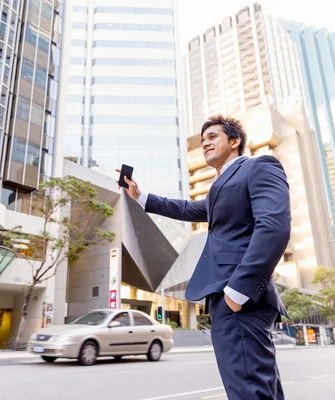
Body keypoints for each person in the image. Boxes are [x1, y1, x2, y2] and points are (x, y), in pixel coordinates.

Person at [119, 115, 290, 399]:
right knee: (260, 386)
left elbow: (274, 227)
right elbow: (186, 209)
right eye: (202, 140)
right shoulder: (217, 189)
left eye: (213, 137)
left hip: (239, 294)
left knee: (248, 388)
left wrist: (238, 291)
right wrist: (140, 196)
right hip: (228, 295)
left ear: (234, 141)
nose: (205, 143)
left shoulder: (259, 167)